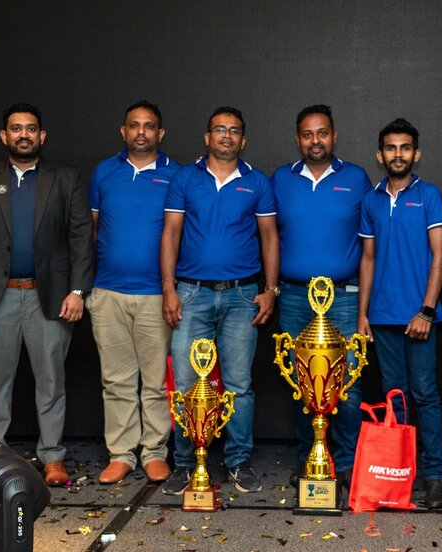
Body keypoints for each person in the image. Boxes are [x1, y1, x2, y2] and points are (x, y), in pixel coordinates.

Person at [0, 103, 93, 487]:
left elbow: (82, 237)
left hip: (50, 298)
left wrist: (78, 290)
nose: (24, 135)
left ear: (41, 135)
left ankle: (52, 457)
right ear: (4, 136)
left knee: (51, 382)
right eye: (16, 129)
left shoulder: (65, 178)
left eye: (31, 128)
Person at [160, 106, 279, 495]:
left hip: (242, 295)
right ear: (207, 137)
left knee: (239, 385)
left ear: (243, 140)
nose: (227, 136)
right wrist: (168, 288)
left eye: (234, 131)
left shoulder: (257, 182)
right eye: (220, 129)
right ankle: (184, 463)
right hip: (191, 293)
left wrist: (271, 289)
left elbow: (270, 237)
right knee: (187, 383)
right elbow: (171, 234)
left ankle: (238, 460)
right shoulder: (184, 178)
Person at [271, 105, 372, 488]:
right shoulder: (281, 179)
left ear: (334, 135)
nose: (316, 141)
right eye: (308, 134)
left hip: (343, 298)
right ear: (298, 139)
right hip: (295, 298)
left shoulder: (357, 178)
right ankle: (310, 457)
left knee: (346, 383)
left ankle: (346, 461)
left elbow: (370, 245)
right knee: (302, 382)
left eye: (323, 133)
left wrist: (365, 307)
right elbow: (266, 236)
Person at [357, 118, 442, 509]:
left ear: (416, 153)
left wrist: (425, 311)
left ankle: (434, 475)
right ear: (380, 155)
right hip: (382, 318)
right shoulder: (371, 200)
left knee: (425, 395)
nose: (398, 154)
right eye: (391, 148)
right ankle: (400, 472)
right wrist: (362, 314)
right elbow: (367, 259)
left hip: (420, 318)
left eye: (405, 147)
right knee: (395, 398)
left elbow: (440, 257)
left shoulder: (429, 195)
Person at [88, 101, 178, 484]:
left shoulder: (177, 175)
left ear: (161, 133)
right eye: (134, 125)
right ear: (123, 131)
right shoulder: (104, 172)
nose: (141, 132)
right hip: (108, 292)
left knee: (156, 381)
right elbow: (93, 230)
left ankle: (154, 452)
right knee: (117, 380)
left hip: (156, 294)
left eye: (149, 125)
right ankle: (121, 454)